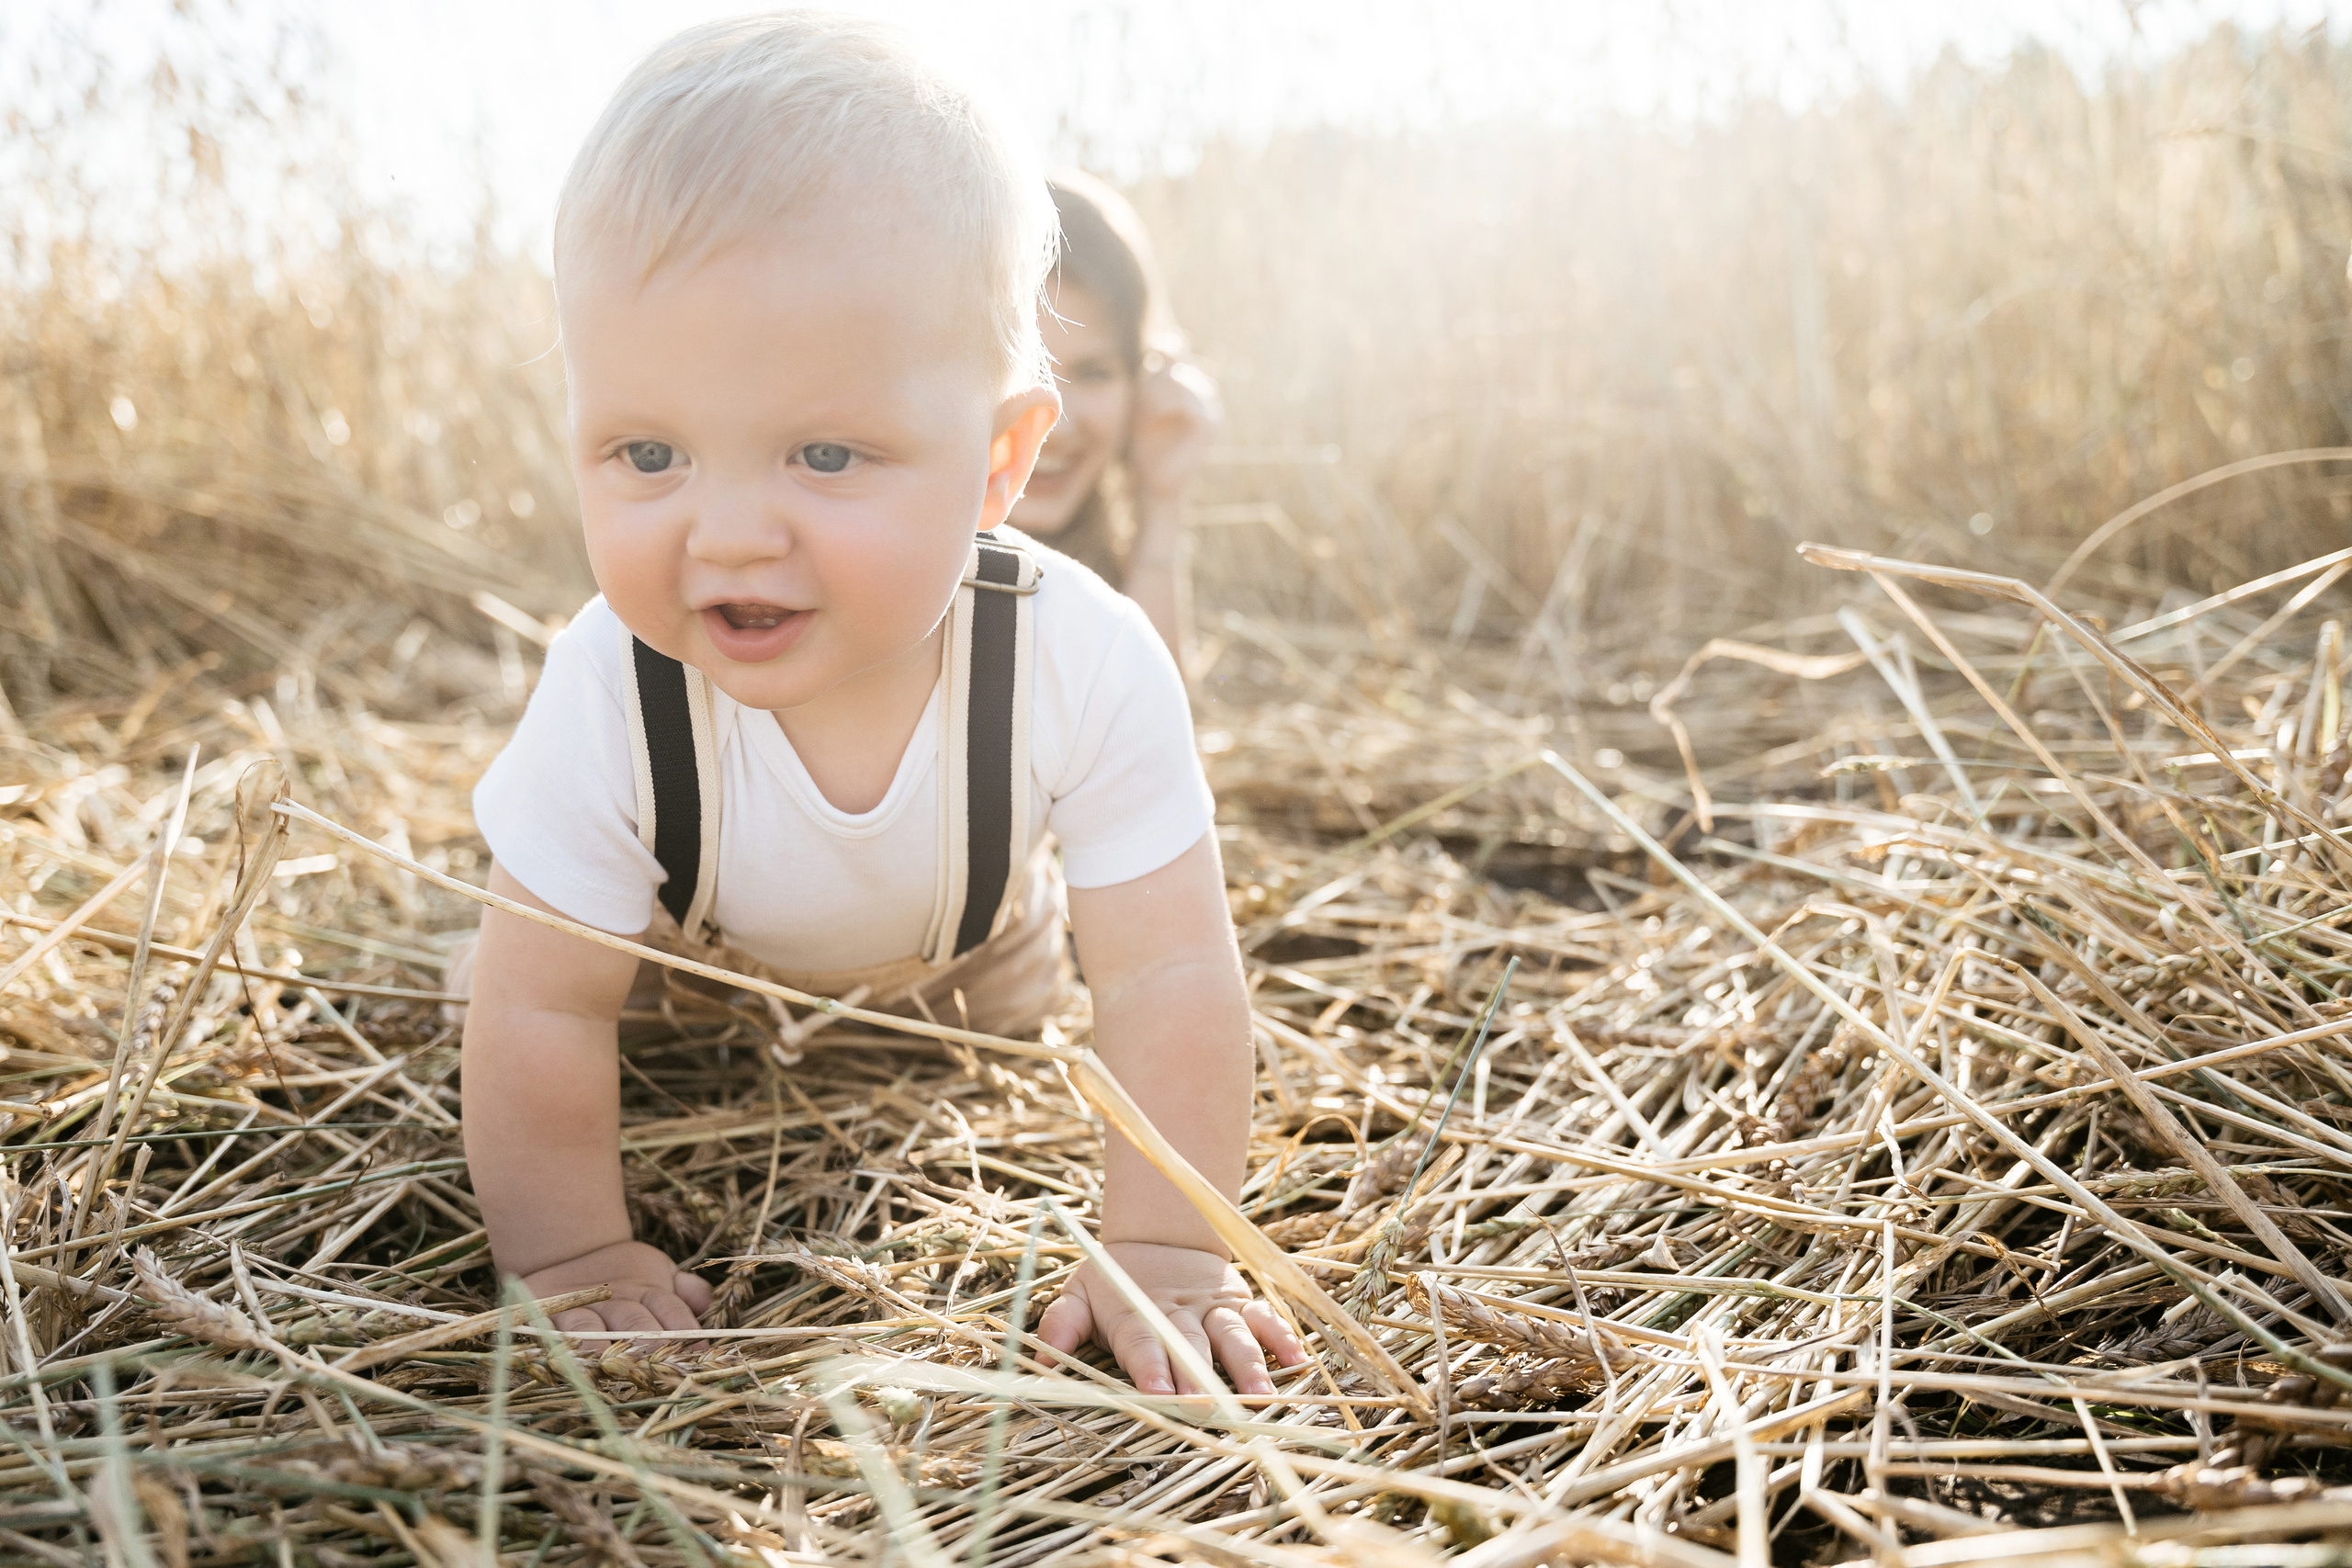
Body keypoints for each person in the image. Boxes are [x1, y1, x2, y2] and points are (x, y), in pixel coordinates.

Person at [457, 13, 1303, 1397]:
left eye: (827, 452)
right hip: (686, 982)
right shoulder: (609, 684)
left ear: (997, 461)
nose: (727, 533)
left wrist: (1167, 1243)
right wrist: (569, 1256)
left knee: (1012, 1000)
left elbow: (1164, 974)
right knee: (492, 984)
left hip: (966, 986)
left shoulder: (1082, 655)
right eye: (649, 450)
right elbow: (548, 1009)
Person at [1008, 172, 1218, 667]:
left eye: (1094, 372)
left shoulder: (1109, 574)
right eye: (1019, 370)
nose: (1055, 424)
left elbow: (1153, 739)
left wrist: (1160, 501)